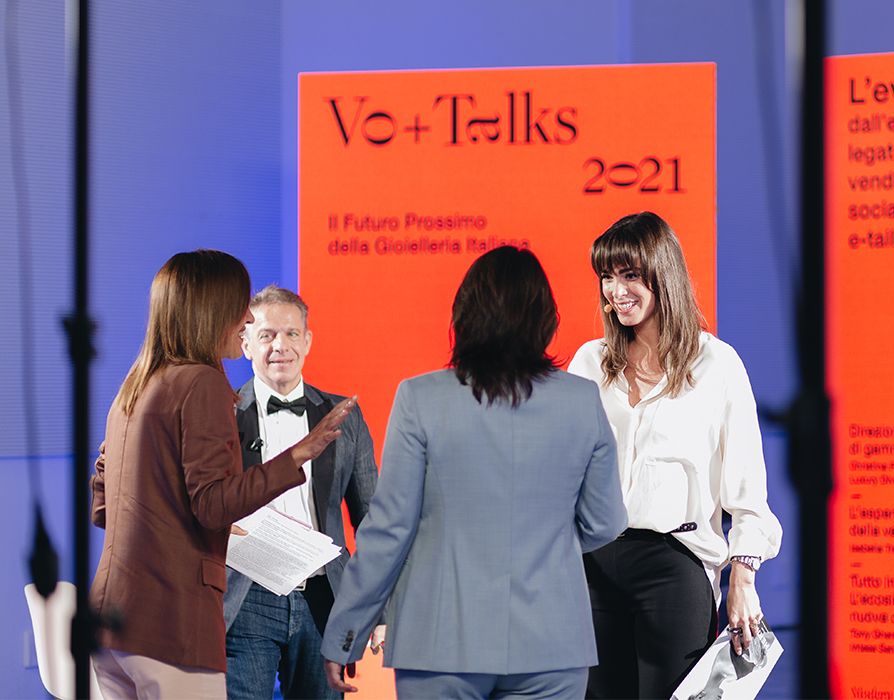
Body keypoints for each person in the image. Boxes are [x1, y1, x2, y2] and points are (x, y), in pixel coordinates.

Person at [321, 246, 626, 699]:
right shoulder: (581, 400)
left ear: (464, 314)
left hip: (439, 642)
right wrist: (547, 543)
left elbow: (389, 531)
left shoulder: (420, 398)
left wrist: (347, 631)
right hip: (552, 643)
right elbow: (606, 522)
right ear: (545, 317)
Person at [90, 250, 356, 699]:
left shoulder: (135, 384)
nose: (247, 317)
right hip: (170, 628)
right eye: (241, 306)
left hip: (112, 627)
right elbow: (213, 505)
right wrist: (296, 457)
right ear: (213, 310)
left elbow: (102, 503)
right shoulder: (203, 382)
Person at [567, 212, 784, 699]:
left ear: (661, 275)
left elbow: (747, 496)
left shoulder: (717, 365)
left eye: (628, 275)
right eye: (606, 276)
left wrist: (742, 581)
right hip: (593, 566)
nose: (614, 290)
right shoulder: (587, 363)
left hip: (675, 563)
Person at [223, 285, 380, 699]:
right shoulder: (221, 414)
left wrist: (379, 607)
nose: (281, 346)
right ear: (245, 345)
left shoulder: (343, 415)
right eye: (267, 335)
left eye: (292, 334)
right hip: (246, 597)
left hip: (324, 600)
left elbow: (374, 521)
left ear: (308, 341)